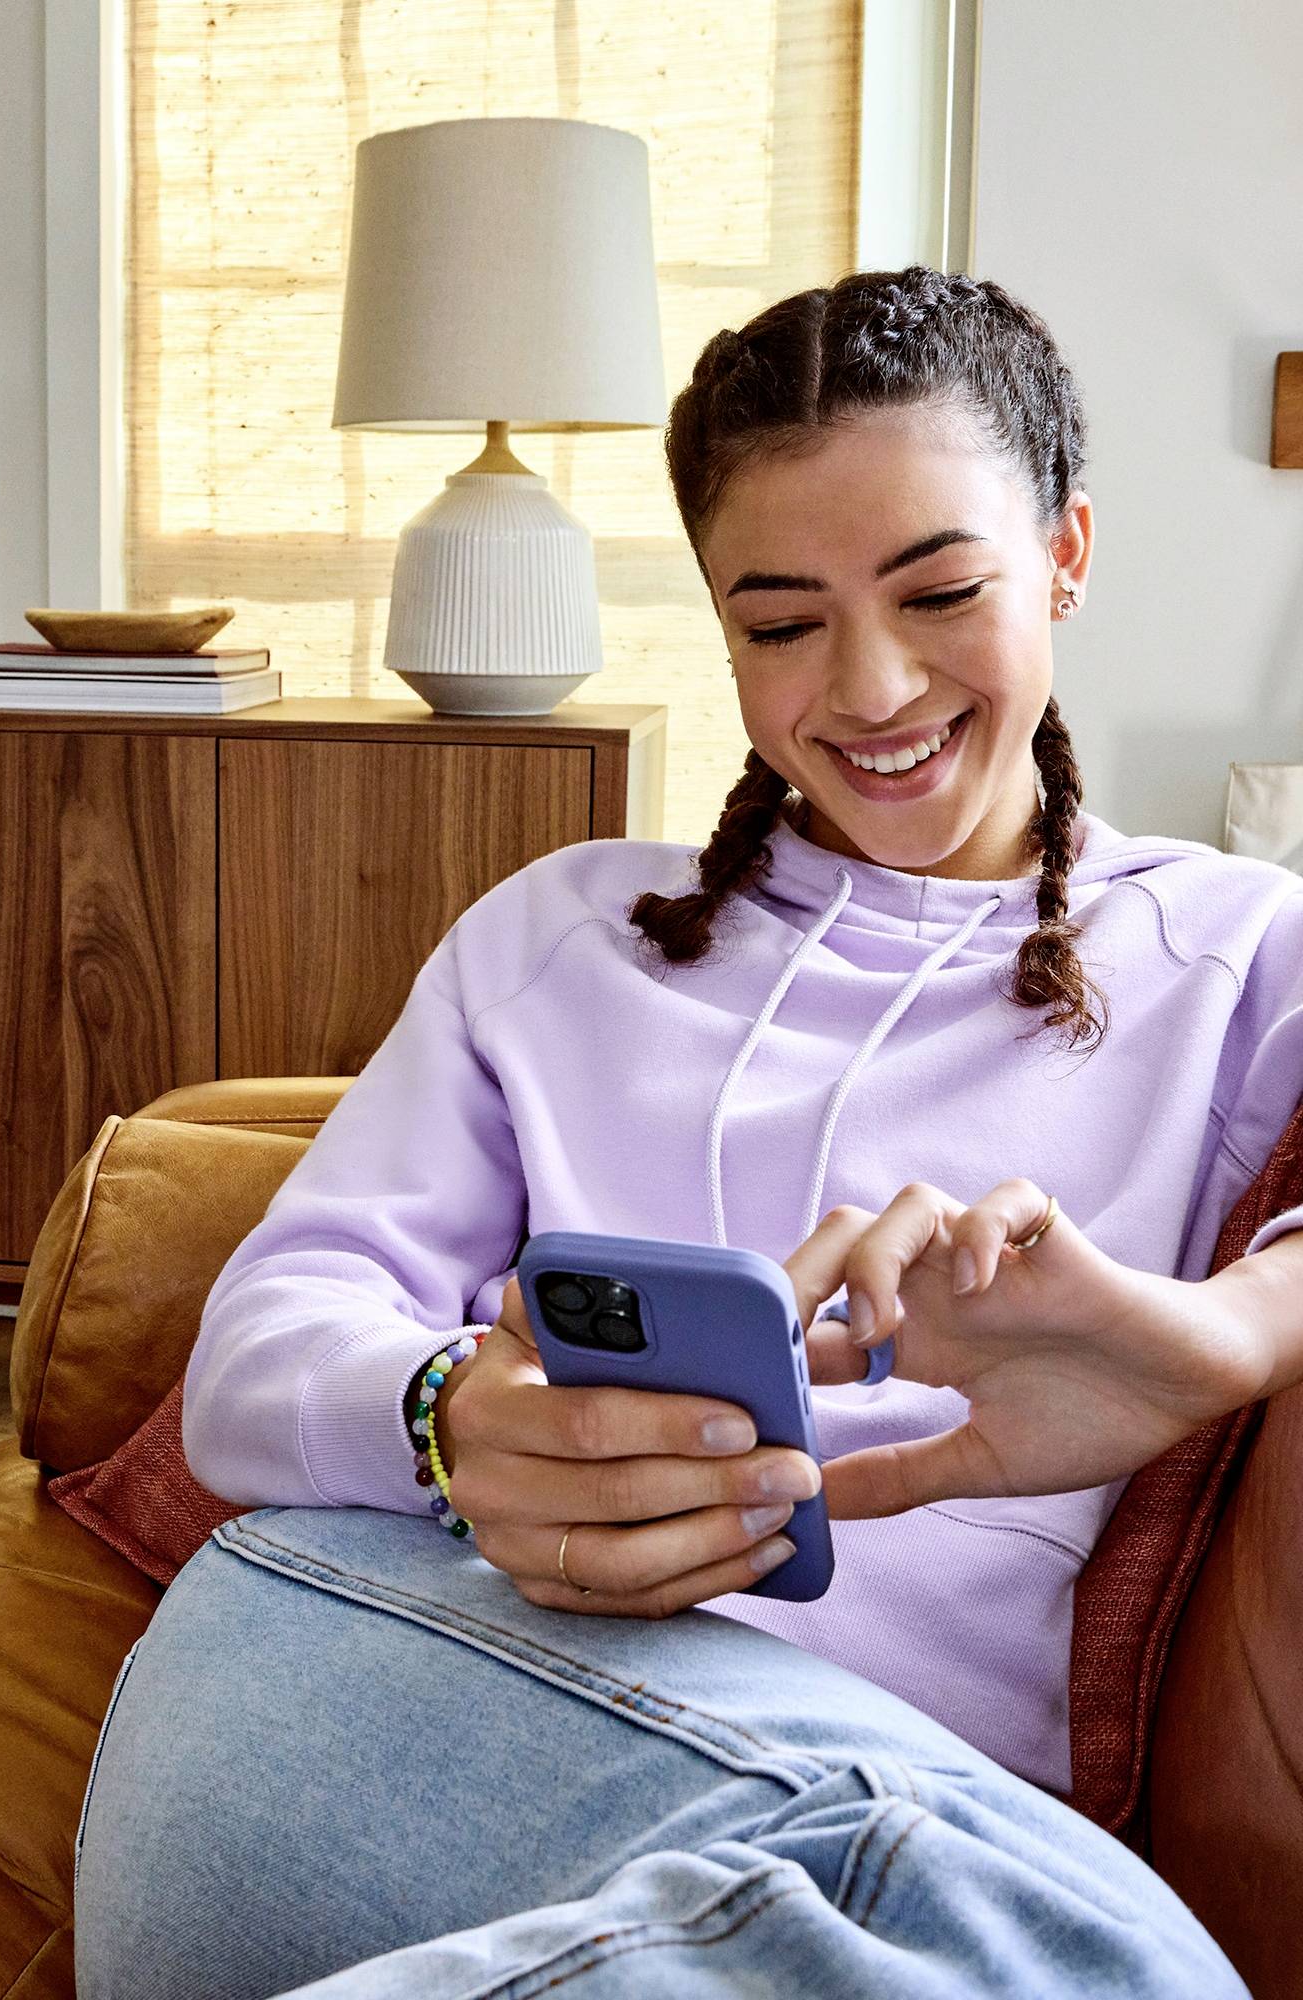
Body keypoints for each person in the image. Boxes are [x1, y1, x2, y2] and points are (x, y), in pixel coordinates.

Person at [70, 267, 1303, 1998]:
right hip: (362, 1677)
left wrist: (1217, 1336)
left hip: (885, 1849)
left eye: (939, 590)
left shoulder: (1239, 948)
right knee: (1097, 1960)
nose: (867, 687)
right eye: (779, 621)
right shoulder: (562, 931)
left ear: (1070, 554)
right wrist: (448, 1418)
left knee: (1022, 1937)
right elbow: (259, 1352)